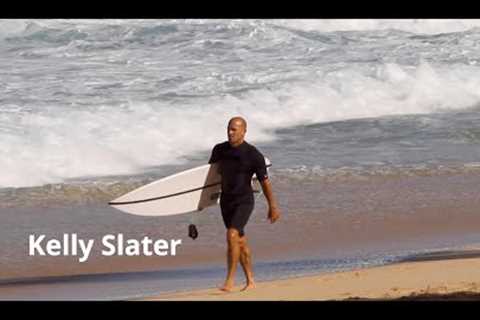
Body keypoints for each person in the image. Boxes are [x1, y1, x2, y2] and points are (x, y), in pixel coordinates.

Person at [208, 116, 280, 292]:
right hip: (226, 201)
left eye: (234, 129)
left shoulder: (253, 155)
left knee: (232, 234)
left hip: (244, 201)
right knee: (239, 240)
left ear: (244, 131)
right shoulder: (219, 150)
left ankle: (229, 281)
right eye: (228, 129)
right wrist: (201, 203)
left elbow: (265, 182)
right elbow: (209, 178)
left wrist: (273, 206)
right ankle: (251, 280)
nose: (230, 132)